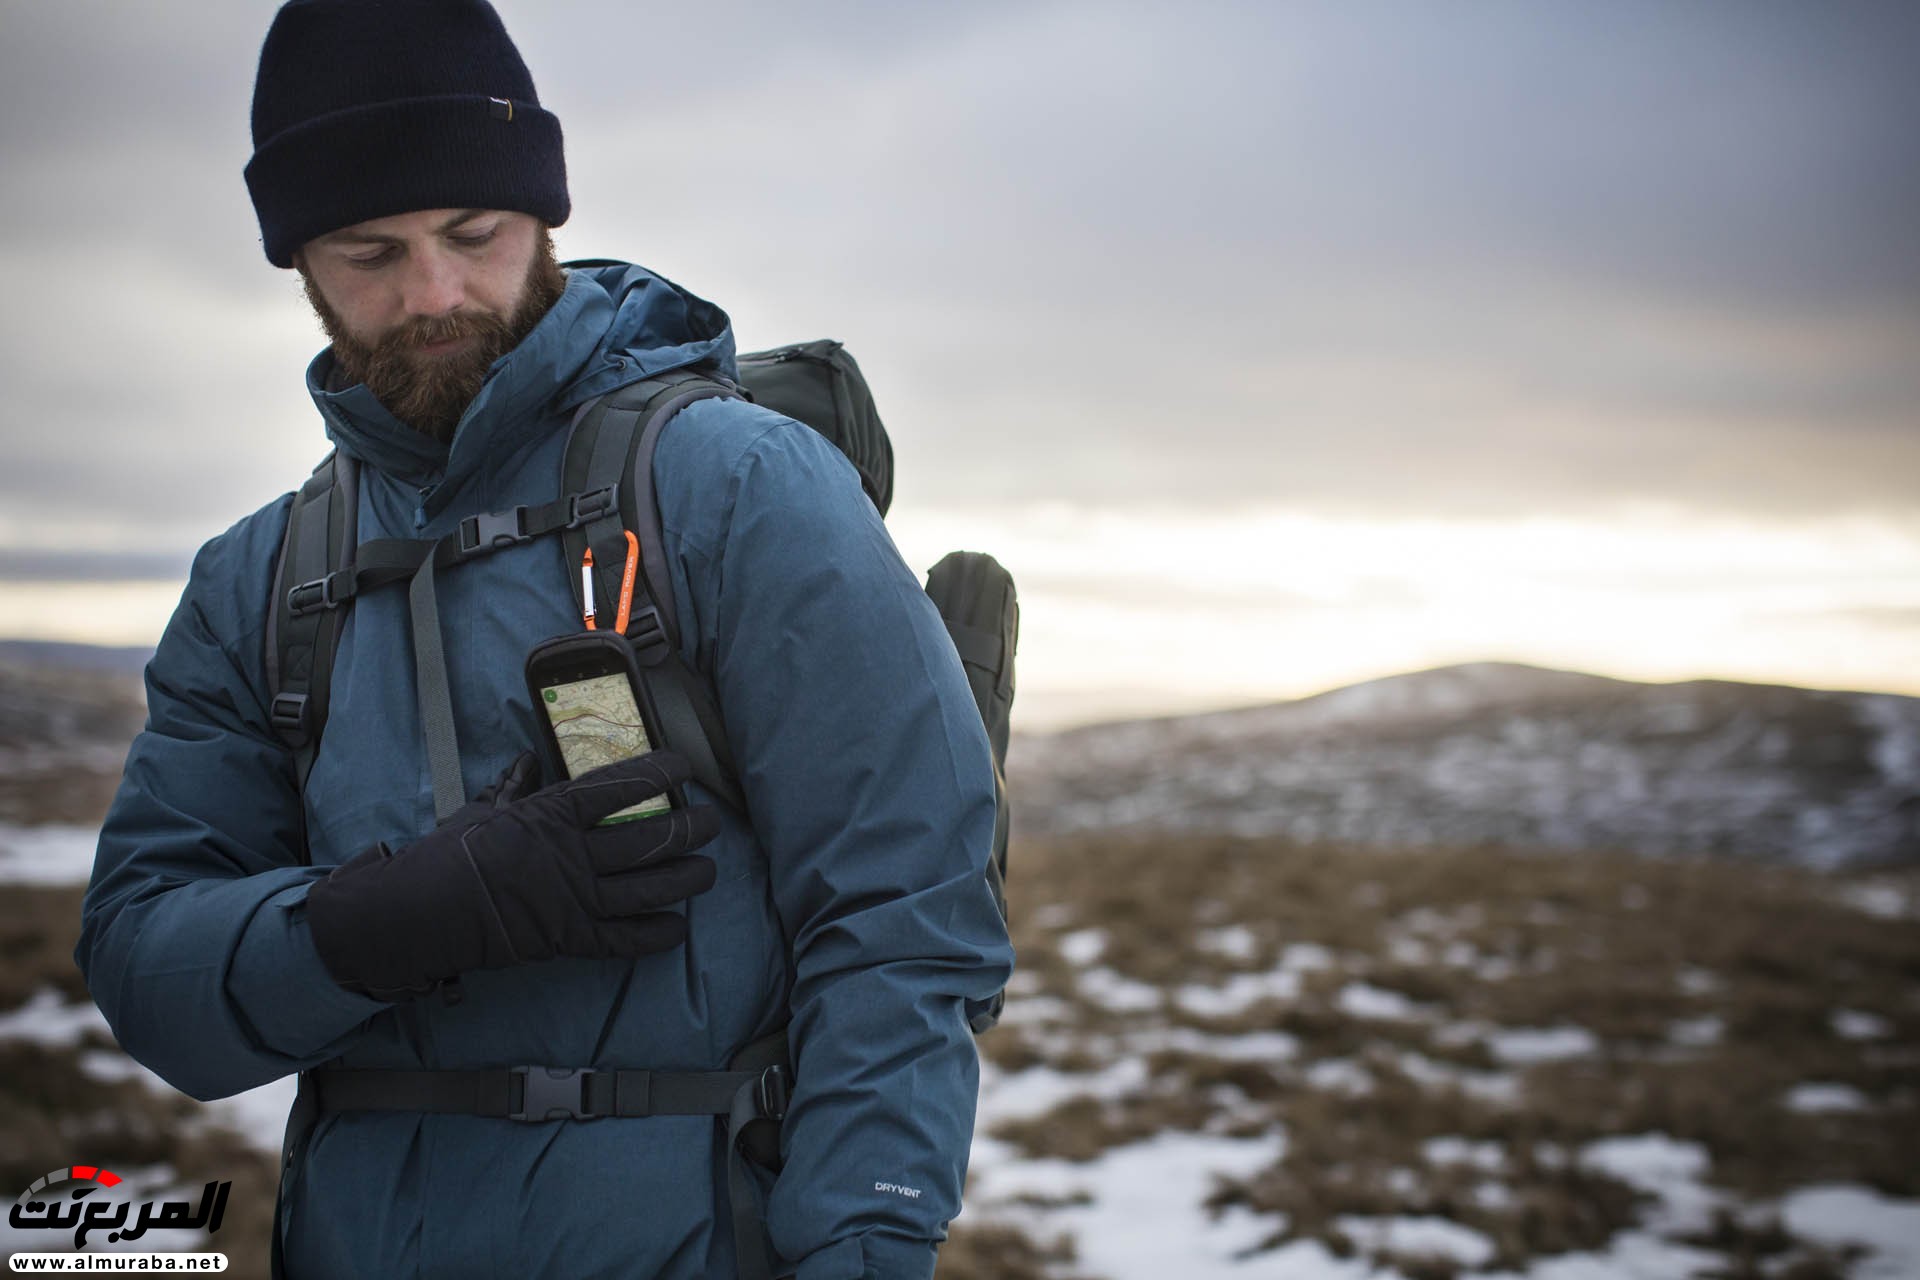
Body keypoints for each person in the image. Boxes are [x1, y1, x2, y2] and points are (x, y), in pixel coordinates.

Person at [72, 2, 1014, 1277]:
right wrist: (388, 917)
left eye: (474, 233)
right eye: (369, 252)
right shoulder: (258, 580)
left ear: (544, 215)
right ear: (299, 264)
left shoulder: (739, 486)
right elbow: (146, 971)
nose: (433, 293)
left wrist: (864, 1249)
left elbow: (905, 917)